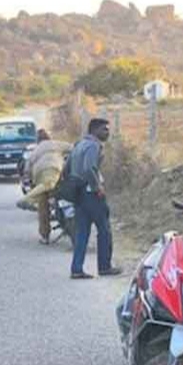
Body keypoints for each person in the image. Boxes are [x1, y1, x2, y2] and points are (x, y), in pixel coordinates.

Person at [69, 119, 124, 279]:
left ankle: (76, 268)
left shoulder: (79, 144)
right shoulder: (93, 145)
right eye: (104, 129)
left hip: (78, 193)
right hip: (91, 194)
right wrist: (97, 187)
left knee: (82, 233)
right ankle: (104, 267)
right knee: (104, 230)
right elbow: (88, 168)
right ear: (95, 130)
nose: (107, 132)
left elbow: (68, 167)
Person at [19, 129, 72, 244]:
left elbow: (27, 169)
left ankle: (45, 236)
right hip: (57, 172)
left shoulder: (35, 150)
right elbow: (73, 148)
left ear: (38, 141)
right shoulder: (56, 144)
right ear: (49, 137)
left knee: (43, 207)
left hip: (40, 176)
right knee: (65, 194)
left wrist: (27, 178)